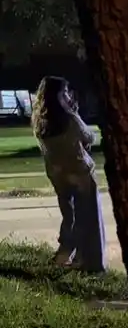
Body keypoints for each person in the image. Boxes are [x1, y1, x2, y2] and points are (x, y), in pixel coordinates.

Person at [32, 76, 106, 273]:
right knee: (89, 219)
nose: (68, 95)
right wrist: (75, 112)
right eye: (64, 92)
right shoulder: (70, 118)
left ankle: (65, 253)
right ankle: (90, 262)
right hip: (80, 173)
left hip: (58, 175)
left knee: (70, 216)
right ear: (57, 95)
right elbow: (89, 137)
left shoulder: (40, 122)